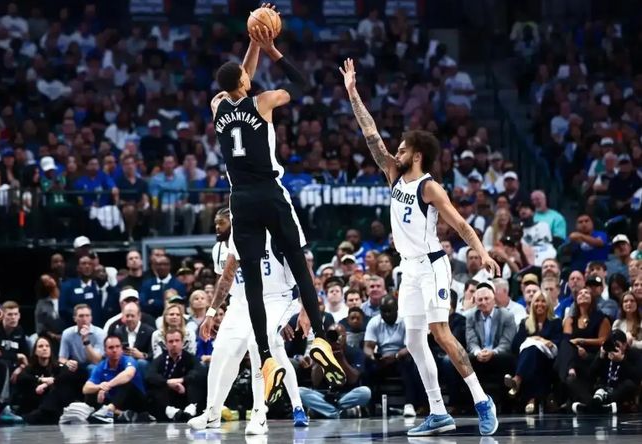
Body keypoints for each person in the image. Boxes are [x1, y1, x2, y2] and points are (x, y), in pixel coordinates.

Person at [343, 57, 500, 437]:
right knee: (414, 340)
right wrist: (352, 93)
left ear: (416, 155)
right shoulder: (393, 174)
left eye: (401, 149)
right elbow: (370, 134)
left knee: (440, 332)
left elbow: (460, 223)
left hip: (432, 265)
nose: (394, 152)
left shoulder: (429, 187)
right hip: (409, 267)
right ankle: (438, 412)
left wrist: (482, 252)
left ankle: (482, 400)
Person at [210, 23, 344, 404]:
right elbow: (301, 84)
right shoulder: (263, 102)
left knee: (251, 280)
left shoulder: (217, 106)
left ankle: (267, 360)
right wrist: (270, 49)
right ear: (245, 83)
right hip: (270, 193)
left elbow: (239, 77)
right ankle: (320, 337)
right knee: (298, 263)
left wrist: (252, 42)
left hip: (240, 200)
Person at [189, 208, 308, 433]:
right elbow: (225, 279)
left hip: (277, 299)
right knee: (222, 351)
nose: (217, 227)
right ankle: (212, 412)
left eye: (222, 222)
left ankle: (260, 413)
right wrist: (212, 312)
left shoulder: (277, 235)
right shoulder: (227, 244)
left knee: (257, 345)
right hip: (241, 302)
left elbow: (304, 272)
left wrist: (305, 310)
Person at [364, 295, 422, 418]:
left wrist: (395, 356)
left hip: (401, 356)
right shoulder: (374, 322)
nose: (386, 314)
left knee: (409, 363)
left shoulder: (406, 321)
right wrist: (373, 357)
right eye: (383, 311)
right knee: (367, 365)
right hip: (383, 358)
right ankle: (372, 405)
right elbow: (367, 347)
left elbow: (411, 346)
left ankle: (409, 404)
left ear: (396, 309)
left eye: (389, 311)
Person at [507, 291, 563, 414]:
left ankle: (518, 380)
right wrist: (534, 339)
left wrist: (542, 341)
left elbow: (558, 342)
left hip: (549, 359)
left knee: (532, 351)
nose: (540, 304)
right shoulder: (525, 322)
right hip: (532, 361)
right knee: (532, 353)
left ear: (548, 304)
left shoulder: (556, 322)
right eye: (537, 301)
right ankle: (532, 399)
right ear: (532, 304)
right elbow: (516, 345)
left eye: (543, 301)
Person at [299, 324, 371, 418]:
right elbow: (315, 382)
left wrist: (342, 359)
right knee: (299, 392)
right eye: (332, 336)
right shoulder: (320, 352)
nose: (335, 339)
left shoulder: (355, 352)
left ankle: (326, 411)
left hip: (346, 395)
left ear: (345, 336)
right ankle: (338, 413)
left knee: (365, 392)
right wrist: (323, 359)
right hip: (323, 395)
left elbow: (353, 379)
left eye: (338, 335)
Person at [464, 284, 516, 402]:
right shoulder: (470, 316)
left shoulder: (507, 315)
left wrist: (493, 352)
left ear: (493, 300)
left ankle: (505, 402)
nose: (484, 302)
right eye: (480, 300)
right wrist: (478, 352)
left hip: (499, 353)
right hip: (479, 354)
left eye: (487, 299)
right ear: (476, 302)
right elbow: (471, 341)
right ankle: (468, 403)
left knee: (506, 358)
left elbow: (506, 342)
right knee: (464, 360)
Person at [18, 336, 87, 424]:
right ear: (35, 351)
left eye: (47, 346)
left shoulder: (57, 367)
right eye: (40, 346)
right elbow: (22, 377)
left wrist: (48, 383)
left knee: (63, 385)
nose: (44, 349)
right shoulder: (30, 368)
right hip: (36, 403)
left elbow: (66, 376)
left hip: (54, 406)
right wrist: (40, 380)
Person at [572, 329, 642, 414]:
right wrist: (600, 357)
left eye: (617, 345)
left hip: (619, 391)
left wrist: (622, 360)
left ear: (624, 345)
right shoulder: (605, 353)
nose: (614, 348)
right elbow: (591, 374)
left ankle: (590, 406)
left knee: (629, 384)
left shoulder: (634, 354)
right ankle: (604, 408)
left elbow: (637, 377)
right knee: (579, 381)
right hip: (603, 388)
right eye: (612, 344)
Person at [83, 334, 149, 424]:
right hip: (115, 401)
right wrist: (99, 386)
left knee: (126, 383)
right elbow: (86, 388)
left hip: (136, 401)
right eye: (111, 347)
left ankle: (109, 411)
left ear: (121, 349)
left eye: (117, 347)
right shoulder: (101, 365)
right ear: (105, 350)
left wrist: (107, 385)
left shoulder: (128, 360)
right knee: (91, 392)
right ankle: (119, 413)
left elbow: (128, 374)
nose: (114, 350)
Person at [145, 329, 206, 422]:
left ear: (182, 343)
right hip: (168, 396)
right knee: (154, 388)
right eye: (171, 341)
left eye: (177, 341)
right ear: (166, 344)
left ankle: (191, 409)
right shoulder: (160, 359)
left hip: (186, 394)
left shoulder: (189, 358)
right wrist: (167, 382)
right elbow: (150, 375)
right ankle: (171, 412)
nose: (174, 344)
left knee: (197, 381)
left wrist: (182, 380)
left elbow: (199, 372)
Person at [110, 301, 155, 375]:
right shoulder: (118, 332)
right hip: (124, 363)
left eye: (132, 316)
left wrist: (142, 355)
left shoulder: (149, 332)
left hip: (142, 364)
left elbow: (154, 354)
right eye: (127, 316)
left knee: (141, 363)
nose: (129, 319)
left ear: (139, 316)